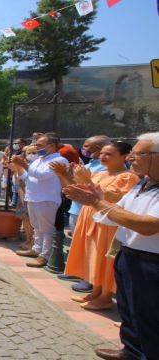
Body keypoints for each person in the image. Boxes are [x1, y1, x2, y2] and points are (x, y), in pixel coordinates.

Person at [63, 132, 159, 360]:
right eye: (132, 154)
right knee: (129, 310)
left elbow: (148, 226)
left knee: (149, 315)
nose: (132, 158)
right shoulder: (143, 184)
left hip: (151, 262)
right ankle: (131, 351)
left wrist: (97, 202)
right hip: (129, 255)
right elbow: (116, 213)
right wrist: (98, 201)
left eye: (139, 154)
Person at [55, 142, 139, 311]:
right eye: (102, 153)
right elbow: (79, 190)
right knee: (93, 255)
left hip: (108, 223)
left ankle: (106, 296)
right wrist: (65, 174)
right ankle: (96, 290)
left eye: (109, 154)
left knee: (106, 259)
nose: (103, 156)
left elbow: (116, 198)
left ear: (124, 157)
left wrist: (88, 181)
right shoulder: (100, 173)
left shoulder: (127, 177)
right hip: (89, 218)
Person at [61, 135, 109, 292]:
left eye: (88, 146)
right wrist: (68, 174)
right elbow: (77, 185)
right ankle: (77, 271)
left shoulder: (104, 168)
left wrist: (80, 177)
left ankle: (88, 279)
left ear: (100, 148)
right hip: (77, 209)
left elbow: (93, 189)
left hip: (90, 209)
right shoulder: (91, 164)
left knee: (90, 246)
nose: (84, 149)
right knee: (79, 243)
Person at [12, 134, 69, 267]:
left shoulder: (59, 160)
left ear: (52, 146)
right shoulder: (39, 160)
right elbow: (28, 176)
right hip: (33, 197)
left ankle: (45, 255)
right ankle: (36, 249)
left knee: (46, 229)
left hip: (47, 199)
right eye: (36, 144)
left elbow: (41, 176)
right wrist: (18, 168)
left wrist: (24, 164)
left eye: (39, 145)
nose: (36, 147)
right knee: (36, 227)